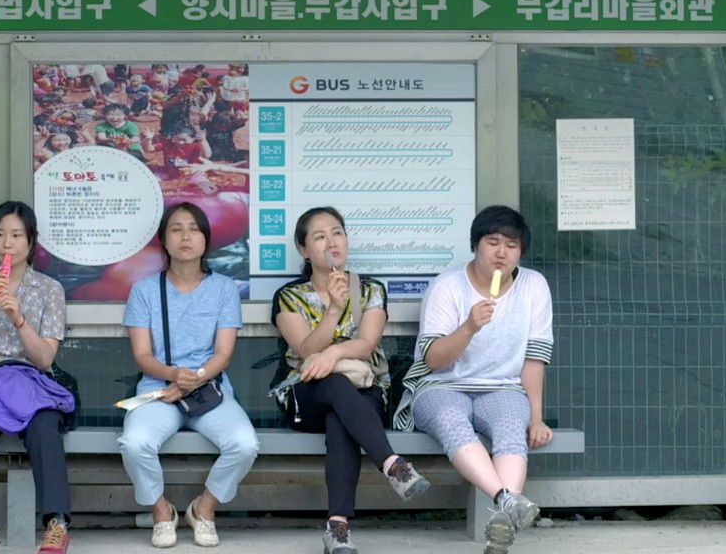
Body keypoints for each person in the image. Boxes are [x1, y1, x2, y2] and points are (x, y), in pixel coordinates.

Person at [393, 205, 554, 554]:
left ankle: (502, 521)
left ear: (521, 251)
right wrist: (468, 327)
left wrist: (536, 417)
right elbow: (432, 361)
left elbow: (533, 359)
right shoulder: (447, 287)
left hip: (502, 386)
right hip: (439, 386)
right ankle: (508, 501)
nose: (501, 252)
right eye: (492, 242)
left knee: (513, 422)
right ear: (475, 245)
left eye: (511, 245)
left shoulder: (533, 286)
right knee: (453, 420)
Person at [271, 207, 431, 554]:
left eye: (337, 232)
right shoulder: (290, 296)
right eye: (320, 236)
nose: (332, 241)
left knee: (340, 418)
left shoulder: (370, 289)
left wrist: (333, 355)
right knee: (333, 387)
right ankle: (393, 464)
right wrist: (332, 310)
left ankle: (338, 529)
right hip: (306, 394)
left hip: (365, 390)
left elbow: (367, 344)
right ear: (303, 249)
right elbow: (305, 348)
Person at [118, 202, 260, 548]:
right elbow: (142, 355)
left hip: (207, 390)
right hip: (159, 390)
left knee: (245, 445)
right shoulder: (145, 290)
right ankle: (162, 512)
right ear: (164, 241)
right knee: (134, 444)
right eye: (176, 229)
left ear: (206, 240)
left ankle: (204, 509)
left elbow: (223, 353)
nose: (185, 236)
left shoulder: (224, 288)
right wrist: (173, 375)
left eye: (194, 229)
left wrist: (194, 378)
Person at [0, 201, 74, 554]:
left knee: (45, 431)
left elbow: (45, 358)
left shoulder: (49, 289)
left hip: (32, 383)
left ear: (31, 241)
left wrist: (18, 316)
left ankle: (57, 524)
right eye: (0, 235)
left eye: (17, 235)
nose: (8, 244)